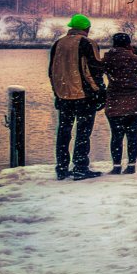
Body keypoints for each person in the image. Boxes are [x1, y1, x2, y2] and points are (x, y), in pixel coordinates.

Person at [48, 14, 105, 179]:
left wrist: (57, 92)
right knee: (83, 132)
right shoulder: (87, 43)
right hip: (84, 96)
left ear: (71, 27)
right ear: (87, 28)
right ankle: (80, 167)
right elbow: (95, 70)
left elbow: (52, 71)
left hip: (63, 95)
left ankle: (61, 167)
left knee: (64, 132)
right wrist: (101, 93)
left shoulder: (57, 44)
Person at [100, 32, 137, 173]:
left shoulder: (106, 58)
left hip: (114, 101)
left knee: (116, 135)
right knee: (132, 135)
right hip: (134, 101)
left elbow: (98, 72)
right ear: (128, 44)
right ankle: (131, 166)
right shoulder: (133, 58)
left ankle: (116, 167)